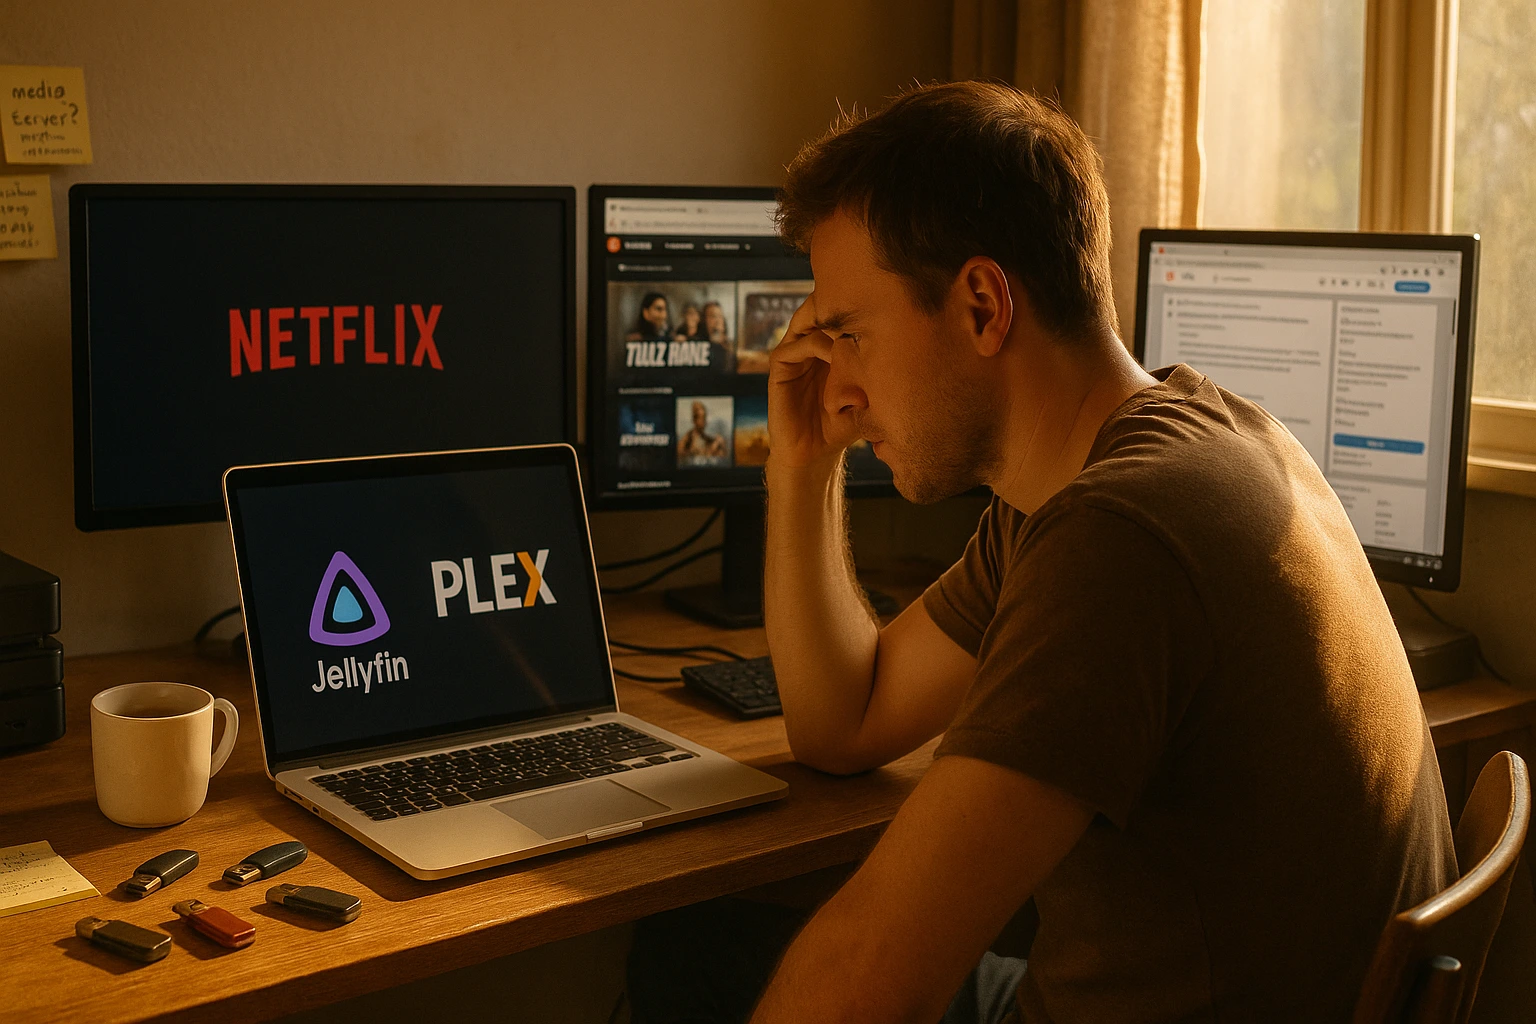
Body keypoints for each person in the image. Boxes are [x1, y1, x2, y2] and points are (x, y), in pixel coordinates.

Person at [627, 81, 1455, 1024]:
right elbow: (843, 726)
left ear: (983, 304)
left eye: (850, 333)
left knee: (715, 962)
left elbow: (867, 984)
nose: (837, 382)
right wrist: (802, 468)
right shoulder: (1160, 449)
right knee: (700, 944)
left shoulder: (1123, 536)